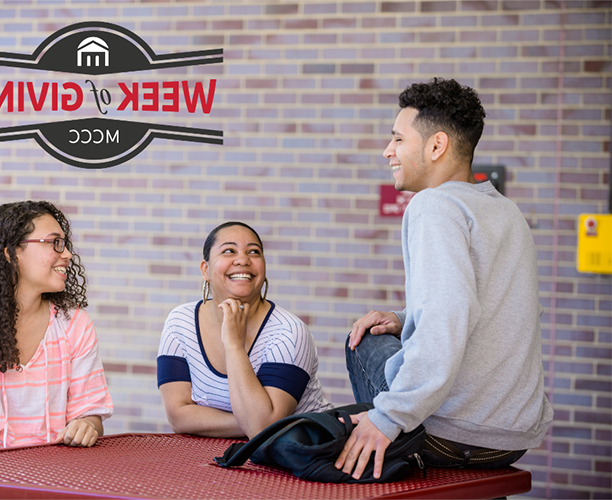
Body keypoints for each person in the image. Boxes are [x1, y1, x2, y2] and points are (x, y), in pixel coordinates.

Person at [335, 78, 553, 480]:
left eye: (398, 140)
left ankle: (393, 456)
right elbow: (492, 307)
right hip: (511, 438)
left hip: (449, 436)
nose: (388, 151)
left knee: (361, 342)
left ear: (436, 146)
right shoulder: (505, 210)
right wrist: (404, 317)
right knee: (394, 336)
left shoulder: (433, 205)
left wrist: (387, 419)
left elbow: (446, 317)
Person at [0, 200, 113, 454]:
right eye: (54, 242)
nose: (68, 254)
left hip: (50, 481)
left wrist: (85, 424)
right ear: (12, 253)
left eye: (65, 243)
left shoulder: (74, 323)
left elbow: (90, 412)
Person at [157, 221, 332, 438]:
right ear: (206, 270)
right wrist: (252, 421)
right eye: (229, 251)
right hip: (217, 458)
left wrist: (233, 344)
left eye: (254, 252)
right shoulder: (180, 322)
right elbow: (178, 416)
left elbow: (262, 430)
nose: (243, 260)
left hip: (300, 457)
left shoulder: (289, 332)